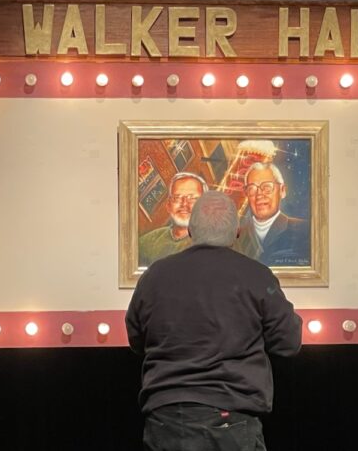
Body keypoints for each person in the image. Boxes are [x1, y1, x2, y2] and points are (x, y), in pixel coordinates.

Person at [126, 191, 302, 451]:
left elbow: (136, 340)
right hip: (231, 421)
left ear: (190, 231)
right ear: (237, 233)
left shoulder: (154, 276)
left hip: (165, 419)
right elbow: (288, 343)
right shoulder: (257, 276)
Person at [234, 162, 311, 266]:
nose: (259, 195)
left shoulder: (304, 230)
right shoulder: (236, 236)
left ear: (282, 191)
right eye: (252, 189)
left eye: (267, 187)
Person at [138, 172, 209, 266]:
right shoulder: (147, 241)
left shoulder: (213, 244)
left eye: (192, 198)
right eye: (177, 198)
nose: (184, 204)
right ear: (168, 205)